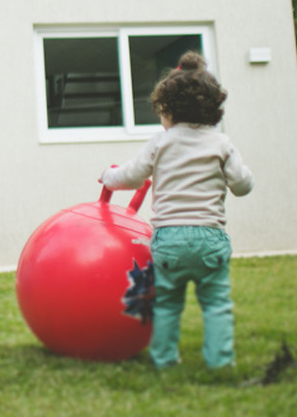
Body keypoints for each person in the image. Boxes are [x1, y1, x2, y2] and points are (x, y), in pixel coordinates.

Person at [100, 52, 254, 372]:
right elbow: (242, 186)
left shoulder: (161, 143)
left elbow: (131, 175)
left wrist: (107, 176)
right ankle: (220, 362)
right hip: (210, 240)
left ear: (168, 110)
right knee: (216, 305)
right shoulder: (222, 144)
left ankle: (165, 360)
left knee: (168, 304)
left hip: (169, 240)